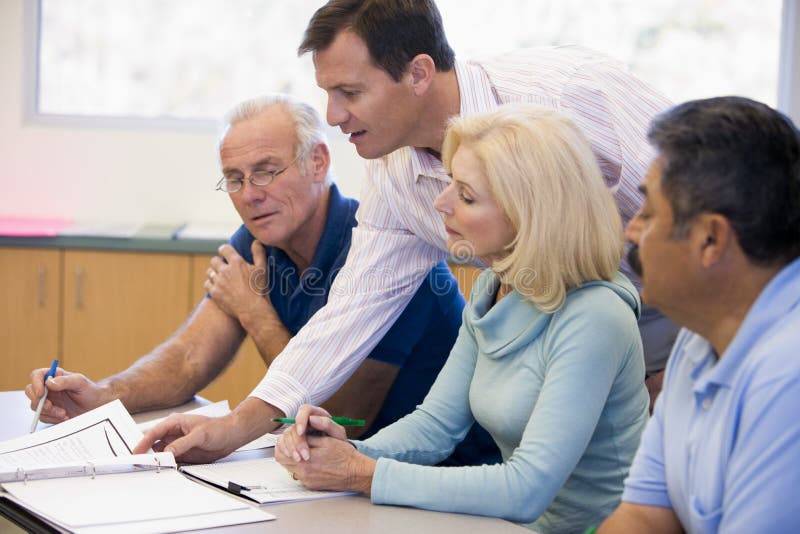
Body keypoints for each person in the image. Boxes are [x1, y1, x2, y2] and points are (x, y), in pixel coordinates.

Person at [135, 0, 674, 459]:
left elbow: (709, 202)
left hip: (686, 306)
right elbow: (352, 310)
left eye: (350, 92)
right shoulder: (397, 174)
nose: (334, 114)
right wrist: (237, 426)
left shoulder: (571, 94)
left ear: (418, 73)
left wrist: (684, 349)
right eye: (327, 92)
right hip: (571, 333)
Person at [26, 94, 500, 467]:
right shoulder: (261, 237)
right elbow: (191, 356)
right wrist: (104, 395)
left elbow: (340, 418)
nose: (250, 196)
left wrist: (256, 314)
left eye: (266, 172)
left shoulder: (388, 252)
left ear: (318, 162)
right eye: (234, 179)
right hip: (343, 475)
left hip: (440, 475)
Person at [275, 104, 649, 534]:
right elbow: (435, 426)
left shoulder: (596, 317)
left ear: (531, 215)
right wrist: (346, 451)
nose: (441, 202)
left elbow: (525, 488)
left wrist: (360, 473)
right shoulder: (495, 290)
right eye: (450, 182)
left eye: (467, 195)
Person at [596, 96, 800, 533]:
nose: (631, 229)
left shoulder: (789, 376)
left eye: (647, 213)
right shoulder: (699, 332)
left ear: (711, 239)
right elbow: (646, 514)